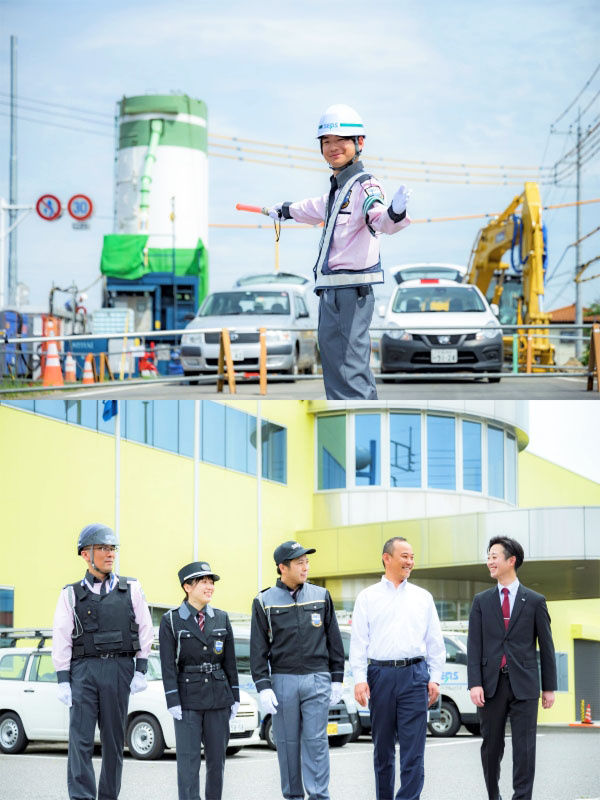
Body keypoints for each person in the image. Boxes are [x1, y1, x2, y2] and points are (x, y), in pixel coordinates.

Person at [267, 104, 411, 400]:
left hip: (351, 293)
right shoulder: (338, 190)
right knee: (335, 366)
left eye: (341, 140)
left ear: (359, 143)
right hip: (331, 291)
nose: (333, 147)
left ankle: (360, 416)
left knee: (349, 368)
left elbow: (379, 218)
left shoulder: (365, 185)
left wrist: (395, 213)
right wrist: (284, 210)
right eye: (326, 141)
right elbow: (312, 207)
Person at [52, 523, 154, 800]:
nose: (110, 554)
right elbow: (61, 637)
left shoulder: (131, 588)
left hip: (119, 668)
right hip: (83, 670)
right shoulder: (70, 594)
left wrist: (141, 668)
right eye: (103, 548)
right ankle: (81, 797)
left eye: (113, 548)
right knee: (80, 740)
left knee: (113, 741)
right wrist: (62, 680)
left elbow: (145, 629)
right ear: (86, 554)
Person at [349, 537, 445, 800]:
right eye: (404, 556)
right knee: (382, 749)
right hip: (379, 676)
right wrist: (359, 679)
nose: (410, 562)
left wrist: (435, 678)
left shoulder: (423, 597)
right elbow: (358, 642)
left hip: (415, 675)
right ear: (387, 558)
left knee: (414, 750)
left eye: (412, 557)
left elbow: (435, 642)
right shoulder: (367, 597)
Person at [250, 541, 345, 800]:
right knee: (287, 743)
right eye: (299, 563)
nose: (306, 567)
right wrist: (263, 686)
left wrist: (337, 678)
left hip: (317, 677)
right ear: (283, 567)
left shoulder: (321, 595)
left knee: (316, 742)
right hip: (283, 680)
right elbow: (258, 649)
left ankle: (319, 796)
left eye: (307, 562)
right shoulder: (264, 601)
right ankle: (292, 796)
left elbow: (334, 640)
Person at [467, 536, 557, 800]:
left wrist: (549, 687)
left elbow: (546, 646)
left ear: (511, 560)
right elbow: (474, 645)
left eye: (494, 556)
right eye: (488, 557)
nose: (489, 562)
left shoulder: (535, 600)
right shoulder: (481, 601)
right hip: (490, 686)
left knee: (525, 748)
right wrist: (474, 683)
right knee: (491, 747)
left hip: (525, 685)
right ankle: (493, 796)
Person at [159, 561, 239, 800]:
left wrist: (234, 697)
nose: (210, 586)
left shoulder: (221, 618)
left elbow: (230, 662)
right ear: (187, 587)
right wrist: (172, 699)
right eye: (203, 582)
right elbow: (167, 665)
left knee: (217, 762)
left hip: (218, 698)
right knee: (188, 764)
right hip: (187, 701)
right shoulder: (171, 620)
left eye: (211, 582)